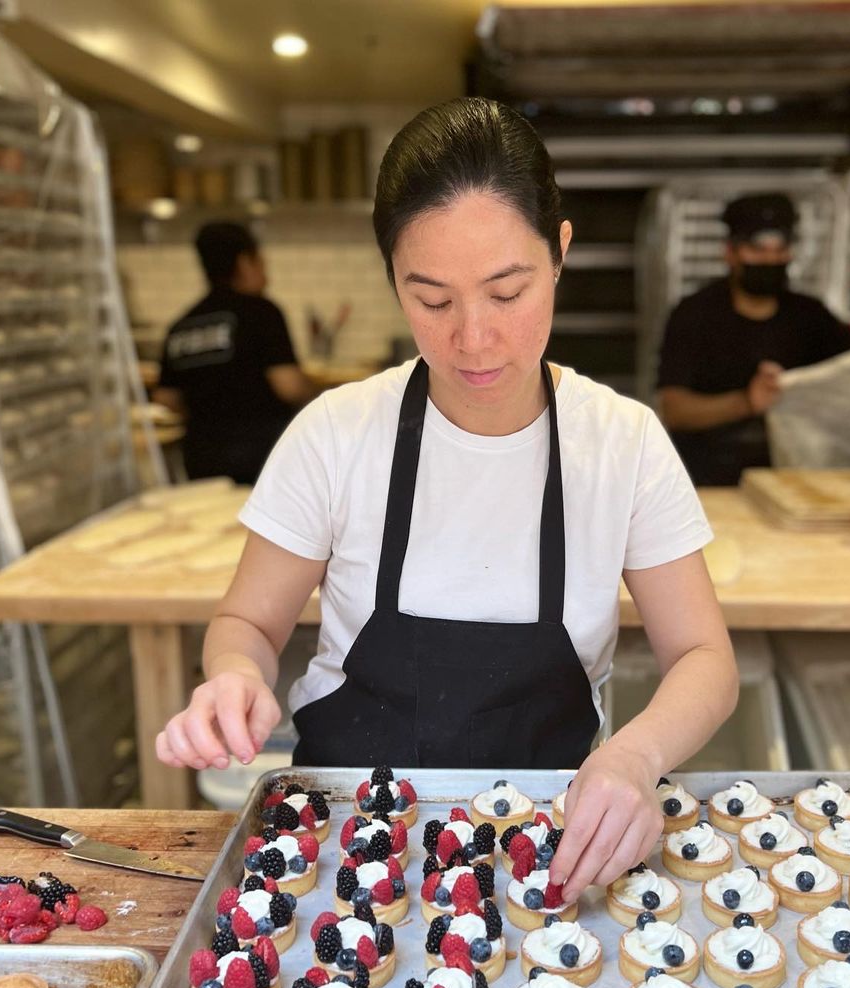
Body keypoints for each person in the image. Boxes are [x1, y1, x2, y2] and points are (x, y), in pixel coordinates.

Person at [156, 99, 738, 902]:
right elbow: (249, 625)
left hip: (553, 852)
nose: (473, 337)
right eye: (432, 299)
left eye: (507, 292)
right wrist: (232, 676)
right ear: (393, 277)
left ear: (559, 252)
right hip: (342, 853)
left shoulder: (623, 443)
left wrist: (634, 758)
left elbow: (706, 660)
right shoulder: (336, 434)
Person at [656, 193, 850, 487]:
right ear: (730, 253)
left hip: (793, 480)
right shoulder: (694, 314)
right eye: (757, 249)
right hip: (708, 482)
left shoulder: (810, 316)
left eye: (779, 250)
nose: (770, 259)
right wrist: (747, 401)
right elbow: (675, 410)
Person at [153, 221, 316, 485]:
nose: (266, 272)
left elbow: (165, 400)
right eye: (261, 262)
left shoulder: (181, 326)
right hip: (262, 460)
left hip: (200, 462)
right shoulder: (261, 312)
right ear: (244, 263)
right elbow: (289, 386)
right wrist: (321, 396)